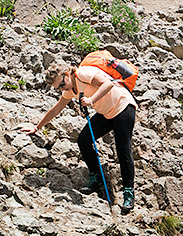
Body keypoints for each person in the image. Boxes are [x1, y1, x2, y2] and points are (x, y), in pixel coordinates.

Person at [20, 61, 137, 215]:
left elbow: (107, 84)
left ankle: (128, 192)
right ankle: (96, 178)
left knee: (122, 149)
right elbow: (56, 109)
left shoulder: (83, 73)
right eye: (58, 88)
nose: (62, 89)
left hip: (123, 107)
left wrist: (91, 100)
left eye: (62, 85)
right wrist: (37, 127)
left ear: (67, 74)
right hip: (107, 113)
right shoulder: (70, 90)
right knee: (83, 140)